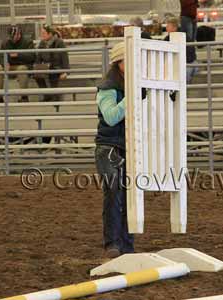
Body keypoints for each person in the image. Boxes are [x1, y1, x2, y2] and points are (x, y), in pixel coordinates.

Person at [94, 42, 134, 258]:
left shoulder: (132, 83)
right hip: (108, 148)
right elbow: (111, 117)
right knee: (113, 193)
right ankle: (112, 243)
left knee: (129, 196)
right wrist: (132, 96)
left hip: (128, 147)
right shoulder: (107, 88)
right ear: (119, 63)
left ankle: (126, 243)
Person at [0, 26, 35, 103]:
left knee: (22, 69)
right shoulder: (5, 43)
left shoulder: (28, 42)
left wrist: (18, 55)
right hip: (10, 65)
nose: (14, 39)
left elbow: (32, 57)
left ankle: (24, 97)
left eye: (15, 36)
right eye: (12, 37)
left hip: (23, 65)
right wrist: (4, 63)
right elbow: (0, 56)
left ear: (19, 34)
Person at [35, 25, 70, 102]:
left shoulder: (59, 42)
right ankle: (47, 95)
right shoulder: (42, 43)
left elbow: (65, 57)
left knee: (52, 74)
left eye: (44, 33)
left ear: (50, 34)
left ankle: (55, 97)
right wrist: (37, 68)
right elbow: (38, 57)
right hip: (46, 67)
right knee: (37, 76)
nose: (42, 35)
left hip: (57, 67)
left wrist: (66, 72)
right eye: (41, 33)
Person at [165, 17, 198, 83]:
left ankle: (182, 90)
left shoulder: (184, 37)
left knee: (185, 72)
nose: (166, 28)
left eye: (168, 26)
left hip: (188, 62)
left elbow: (190, 56)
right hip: (178, 63)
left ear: (175, 28)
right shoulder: (168, 38)